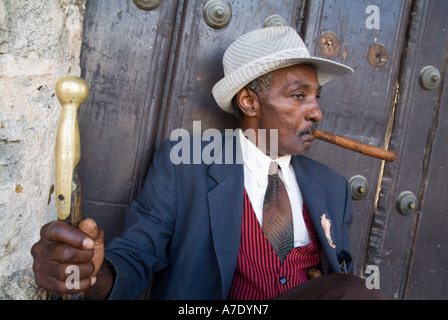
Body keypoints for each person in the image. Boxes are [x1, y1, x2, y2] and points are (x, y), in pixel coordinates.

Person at [31, 26, 385, 300]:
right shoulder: (186, 163)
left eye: (316, 97)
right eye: (298, 96)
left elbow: (339, 276)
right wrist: (92, 275)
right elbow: (137, 257)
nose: (317, 111)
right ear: (249, 101)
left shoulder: (332, 187)